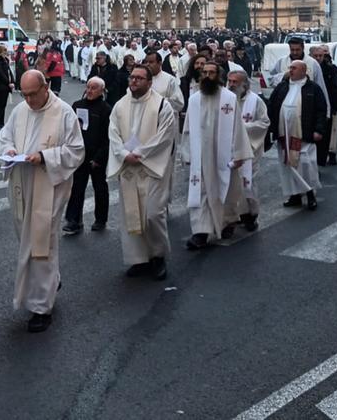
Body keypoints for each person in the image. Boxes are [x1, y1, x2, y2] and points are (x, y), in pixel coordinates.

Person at [0, 70, 85, 333]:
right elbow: (5, 137)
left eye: (33, 94)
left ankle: (40, 308)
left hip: (49, 186)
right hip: (22, 184)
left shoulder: (64, 112)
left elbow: (76, 151)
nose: (28, 100)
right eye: (24, 95)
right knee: (28, 240)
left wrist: (45, 157)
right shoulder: (20, 110)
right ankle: (51, 281)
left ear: (45, 87)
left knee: (42, 244)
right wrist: (9, 151)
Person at [109, 65, 178, 278]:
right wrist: (122, 154)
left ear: (149, 82)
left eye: (139, 78)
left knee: (153, 214)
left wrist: (140, 153)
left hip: (152, 167)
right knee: (132, 214)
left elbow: (165, 135)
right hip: (129, 167)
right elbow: (113, 133)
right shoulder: (120, 105)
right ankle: (139, 259)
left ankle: (158, 257)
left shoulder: (161, 105)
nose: (134, 81)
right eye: (132, 77)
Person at [183, 62, 250, 250]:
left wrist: (239, 154)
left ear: (218, 76)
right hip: (201, 156)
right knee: (201, 191)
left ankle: (228, 221)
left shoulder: (229, 98)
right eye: (204, 72)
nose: (207, 76)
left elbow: (237, 128)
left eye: (211, 73)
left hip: (225, 155)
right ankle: (201, 232)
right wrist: (187, 152)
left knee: (227, 189)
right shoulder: (195, 99)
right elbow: (188, 128)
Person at [267, 61, 328, 210]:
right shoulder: (282, 86)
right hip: (284, 134)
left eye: (294, 68)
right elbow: (272, 106)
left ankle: (310, 194)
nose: (290, 70)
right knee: (288, 166)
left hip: (304, 134)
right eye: (290, 68)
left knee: (306, 165)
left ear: (303, 71)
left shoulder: (313, 88)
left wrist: (319, 130)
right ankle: (294, 195)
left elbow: (321, 110)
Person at [63, 77, 111, 235]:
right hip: (79, 154)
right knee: (76, 188)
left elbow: (108, 137)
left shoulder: (105, 109)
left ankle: (100, 219)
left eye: (94, 88)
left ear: (101, 91)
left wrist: (99, 158)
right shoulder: (77, 106)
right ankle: (74, 220)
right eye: (88, 87)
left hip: (97, 156)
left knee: (100, 188)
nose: (90, 90)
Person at [226, 70, 269, 232]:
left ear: (245, 84)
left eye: (235, 82)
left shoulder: (256, 101)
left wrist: (242, 128)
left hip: (249, 149)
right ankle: (233, 216)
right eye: (229, 81)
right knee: (230, 185)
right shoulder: (225, 100)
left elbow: (264, 122)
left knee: (247, 184)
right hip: (228, 149)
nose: (231, 85)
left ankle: (250, 215)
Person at [310, 45, 337, 166]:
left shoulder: (332, 70)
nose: (319, 58)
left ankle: (329, 155)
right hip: (314, 107)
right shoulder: (308, 68)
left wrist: (333, 105)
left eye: (321, 55)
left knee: (332, 133)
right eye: (316, 56)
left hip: (331, 106)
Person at [144, 50, 185, 116]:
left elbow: (179, 103)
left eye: (151, 62)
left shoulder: (170, 80)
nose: (147, 64)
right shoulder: (142, 78)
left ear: (160, 63)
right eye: (146, 62)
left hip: (164, 118)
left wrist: (158, 101)